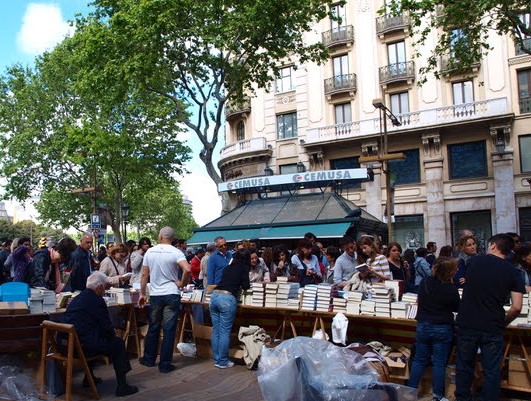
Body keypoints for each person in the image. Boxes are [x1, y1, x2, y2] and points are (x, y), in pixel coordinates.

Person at [455, 234, 525, 401]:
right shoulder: (514, 272)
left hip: (468, 322)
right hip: (493, 325)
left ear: (493, 246)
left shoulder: (474, 262)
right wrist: (503, 322)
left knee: (464, 367)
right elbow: (516, 306)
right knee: (492, 370)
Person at [62, 271, 138, 397]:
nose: (106, 290)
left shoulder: (78, 298)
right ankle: (122, 386)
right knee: (118, 345)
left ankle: (89, 377)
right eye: (106, 287)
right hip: (79, 348)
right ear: (99, 287)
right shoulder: (97, 300)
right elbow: (106, 326)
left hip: (66, 345)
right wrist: (112, 335)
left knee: (94, 337)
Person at [138, 227, 191, 373]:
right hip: (171, 293)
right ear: (173, 238)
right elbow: (187, 269)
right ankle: (165, 364)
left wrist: (142, 294)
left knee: (154, 327)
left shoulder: (150, 251)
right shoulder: (176, 252)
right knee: (169, 329)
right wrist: (182, 283)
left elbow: (144, 275)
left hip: (155, 294)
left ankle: (149, 359)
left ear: (160, 236)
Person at [407, 257, 460, 401]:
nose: (457, 270)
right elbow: (457, 307)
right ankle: (437, 395)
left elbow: (421, 299)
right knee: (439, 362)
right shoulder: (451, 288)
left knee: (419, 360)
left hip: (423, 325)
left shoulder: (425, 282)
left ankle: (410, 391)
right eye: (455, 268)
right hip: (442, 327)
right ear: (449, 271)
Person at [210, 248, 251, 368]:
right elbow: (246, 286)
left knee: (216, 331)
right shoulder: (244, 268)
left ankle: (217, 360)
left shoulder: (228, 267)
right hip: (227, 299)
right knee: (224, 332)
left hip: (214, 296)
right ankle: (223, 362)